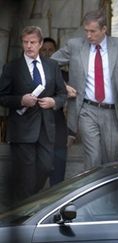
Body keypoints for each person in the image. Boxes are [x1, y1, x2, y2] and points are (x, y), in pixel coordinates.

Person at [51, 9, 118, 170]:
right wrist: (63, 87)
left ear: (104, 29)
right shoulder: (75, 45)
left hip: (112, 112)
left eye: (93, 31)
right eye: (86, 31)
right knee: (93, 157)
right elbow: (49, 66)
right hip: (86, 109)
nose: (88, 35)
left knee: (110, 159)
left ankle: (107, 194)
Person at [0, 26, 67, 201]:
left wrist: (54, 102)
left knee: (46, 167)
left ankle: (25, 201)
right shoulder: (12, 67)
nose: (29, 46)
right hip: (22, 129)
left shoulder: (51, 65)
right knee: (27, 174)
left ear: (40, 43)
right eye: (25, 42)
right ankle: (26, 211)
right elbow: (3, 97)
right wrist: (21, 100)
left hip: (46, 127)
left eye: (33, 42)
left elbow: (62, 93)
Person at [40, 37, 69, 186]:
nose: (47, 53)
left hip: (59, 131)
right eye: (43, 50)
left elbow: (71, 105)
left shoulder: (65, 77)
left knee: (57, 178)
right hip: (37, 132)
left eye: (50, 50)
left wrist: (72, 132)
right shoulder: (31, 74)